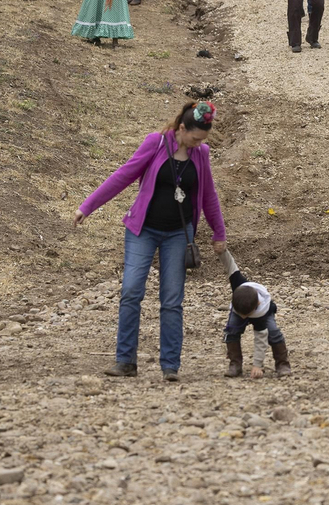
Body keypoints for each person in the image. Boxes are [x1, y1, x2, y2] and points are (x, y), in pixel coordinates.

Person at [76, 100, 227, 381]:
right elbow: (124, 175)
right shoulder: (156, 143)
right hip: (142, 230)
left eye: (202, 140)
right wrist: (88, 206)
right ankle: (125, 362)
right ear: (182, 128)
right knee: (131, 290)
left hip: (178, 235)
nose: (198, 144)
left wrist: (219, 233)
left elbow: (209, 197)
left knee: (172, 300)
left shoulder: (201, 154)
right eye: (195, 138)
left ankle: (170, 366)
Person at [224, 261, 291, 378]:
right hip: (240, 308)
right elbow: (230, 264)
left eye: (247, 315)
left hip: (261, 312)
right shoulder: (237, 282)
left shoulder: (262, 311)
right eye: (242, 315)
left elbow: (260, 338)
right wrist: (222, 251)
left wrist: (257, 365)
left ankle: (282, 364)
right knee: (231, 330)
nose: (244, 318)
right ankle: (235, 364)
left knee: (273, 332)